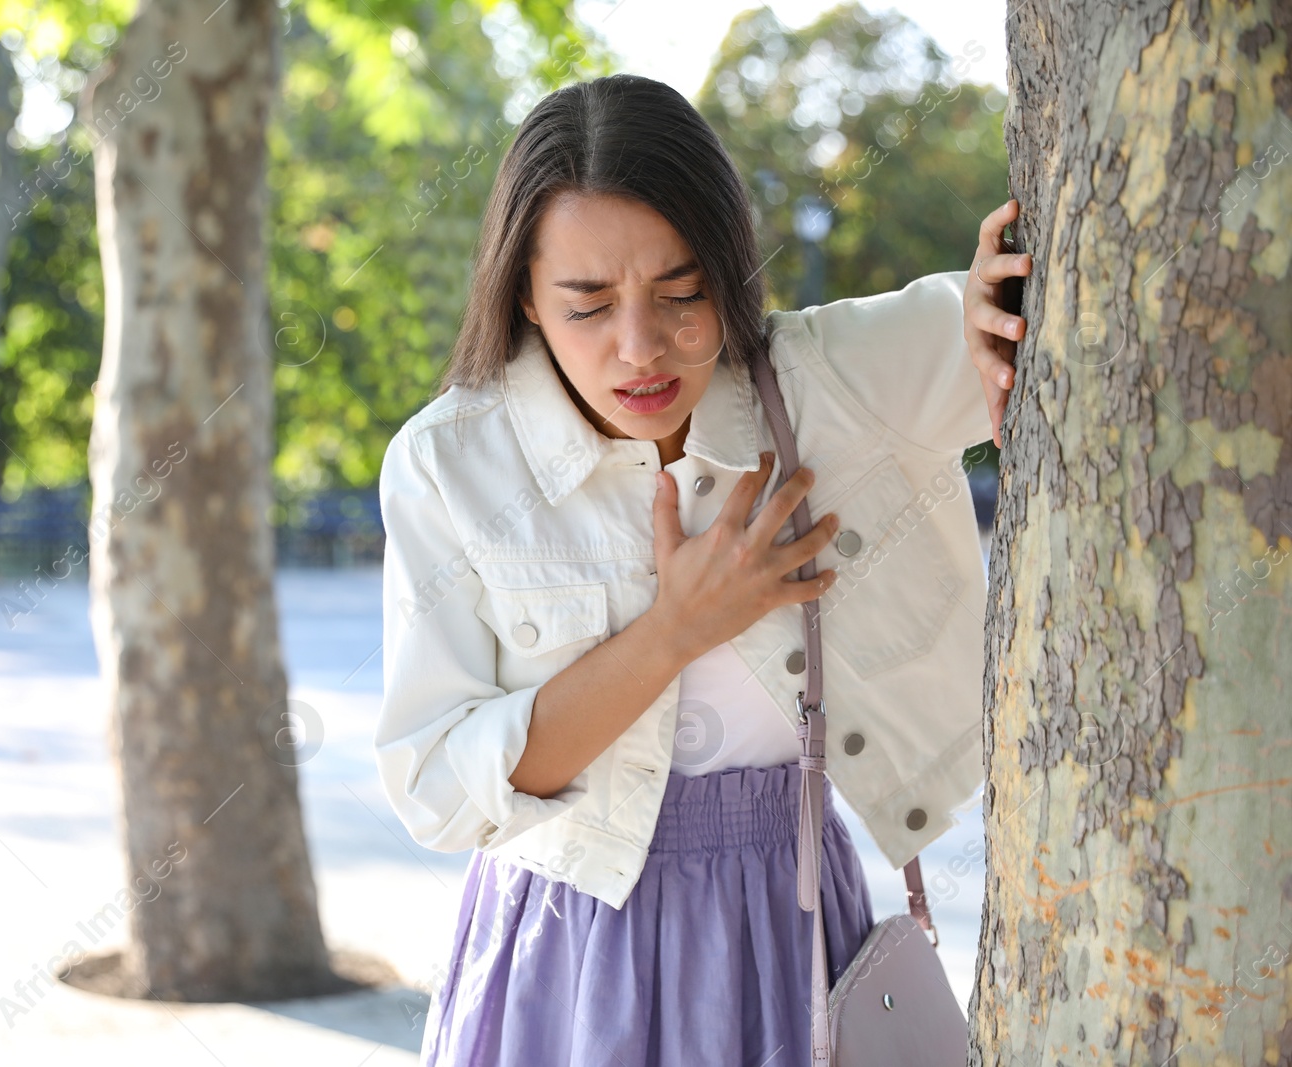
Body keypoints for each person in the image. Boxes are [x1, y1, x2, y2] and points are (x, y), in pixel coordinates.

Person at [373, 73, 1031, 1066]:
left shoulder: (819, 385)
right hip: (567, 939)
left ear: (727, 270)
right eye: (586, 304)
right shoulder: (451, 463)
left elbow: (982, 319)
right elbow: (438, 788)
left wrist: (1003, 284)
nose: (640, 347)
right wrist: (676, 629)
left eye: (681, 293)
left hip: (788, 915)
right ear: (522, 295)